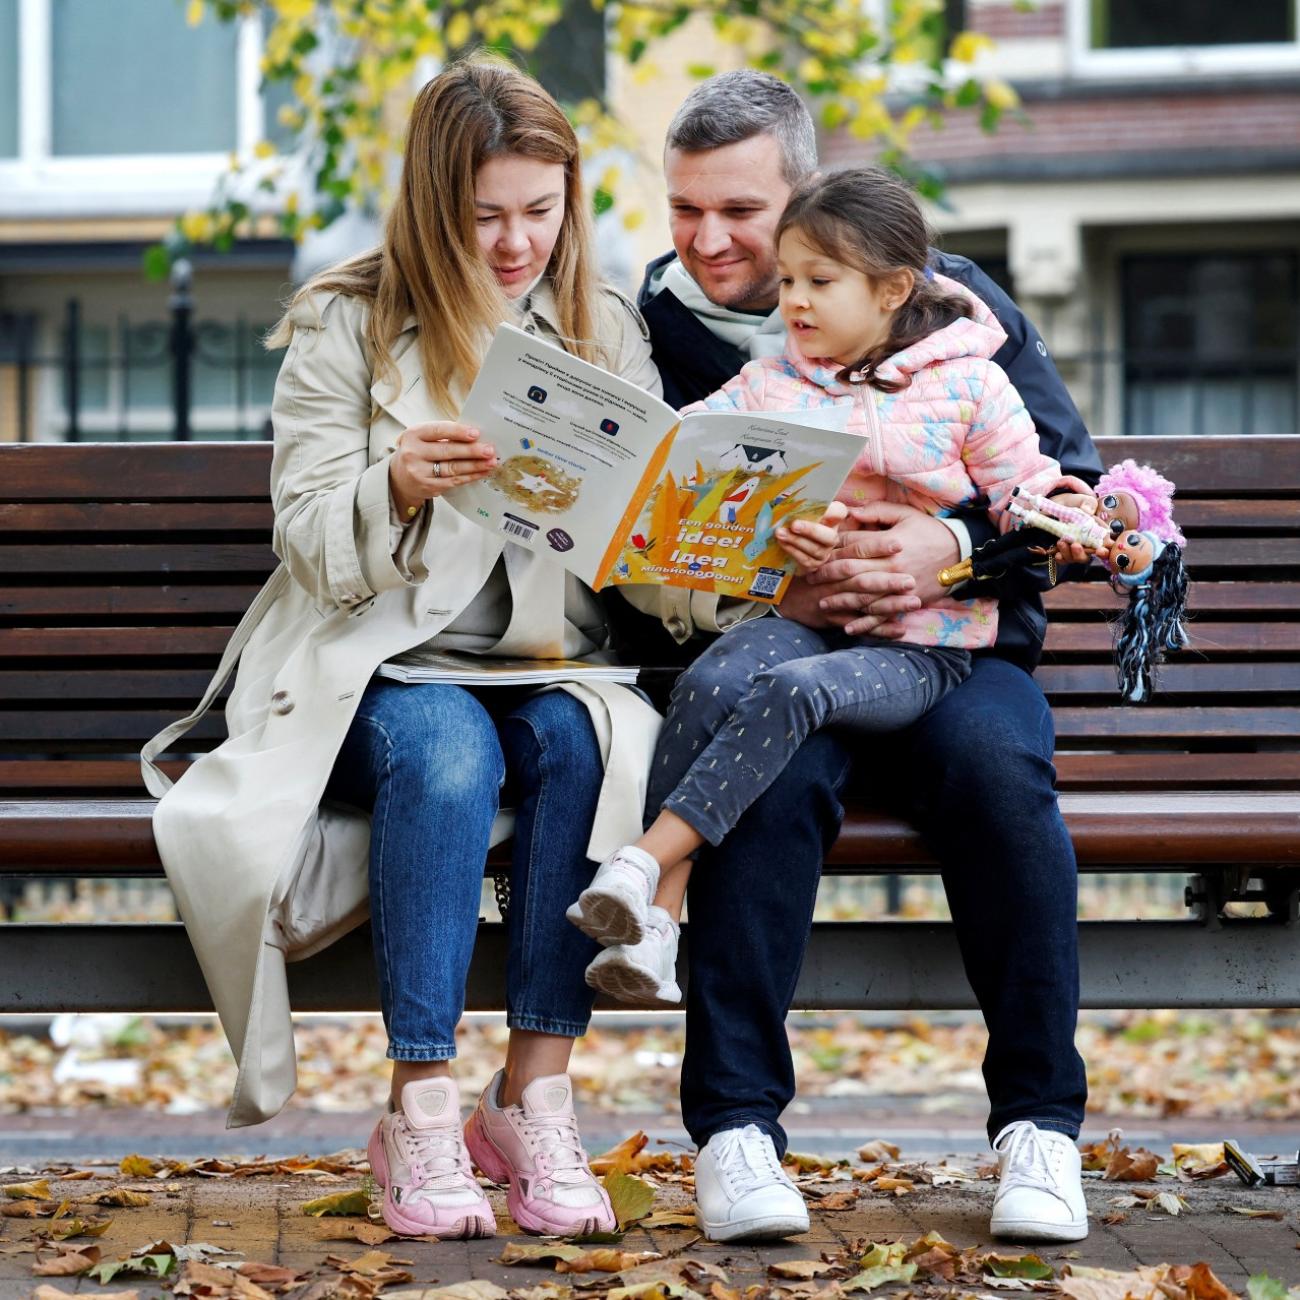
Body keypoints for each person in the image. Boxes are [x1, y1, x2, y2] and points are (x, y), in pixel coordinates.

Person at [140, 60, 747, 1242]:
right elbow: (310, 535)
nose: (516, 241)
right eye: (484, 216)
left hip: (551, 666)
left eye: (539, 208)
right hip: (378, 670)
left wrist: (683, 535)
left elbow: (642, 564)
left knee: (579, 737)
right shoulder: (348, 319)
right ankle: (418, 1102)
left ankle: (534, 1094)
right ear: (432, 205)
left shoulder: (601, 324)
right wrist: (398, 482)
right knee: (447, 744)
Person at [607, 70, 1103, 1246]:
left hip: (951, 661)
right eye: (685, 210)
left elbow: (1058, 492)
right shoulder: (650, 329)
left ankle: (1038, 1125)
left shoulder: (949, 308)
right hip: (775, 651)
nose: (712, 241)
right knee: (762, 773)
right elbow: (663, 523)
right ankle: (735, 1130)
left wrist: (950, 546)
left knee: (1000, 776)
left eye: (742, 212)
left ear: (808, 199)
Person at [572, 165, 1092, 1017]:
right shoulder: (772, 383)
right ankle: (659, 921)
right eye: (788, 282)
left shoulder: (971, 381)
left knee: (791, 692)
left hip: (926, 645)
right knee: (715, 680)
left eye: (819, 282)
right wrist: (773, 537)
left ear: (892, 290)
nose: (796, 302)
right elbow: (695, 467)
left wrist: (1024, 527)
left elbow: (1037, 496)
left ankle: (644, 861)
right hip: (809, 622)